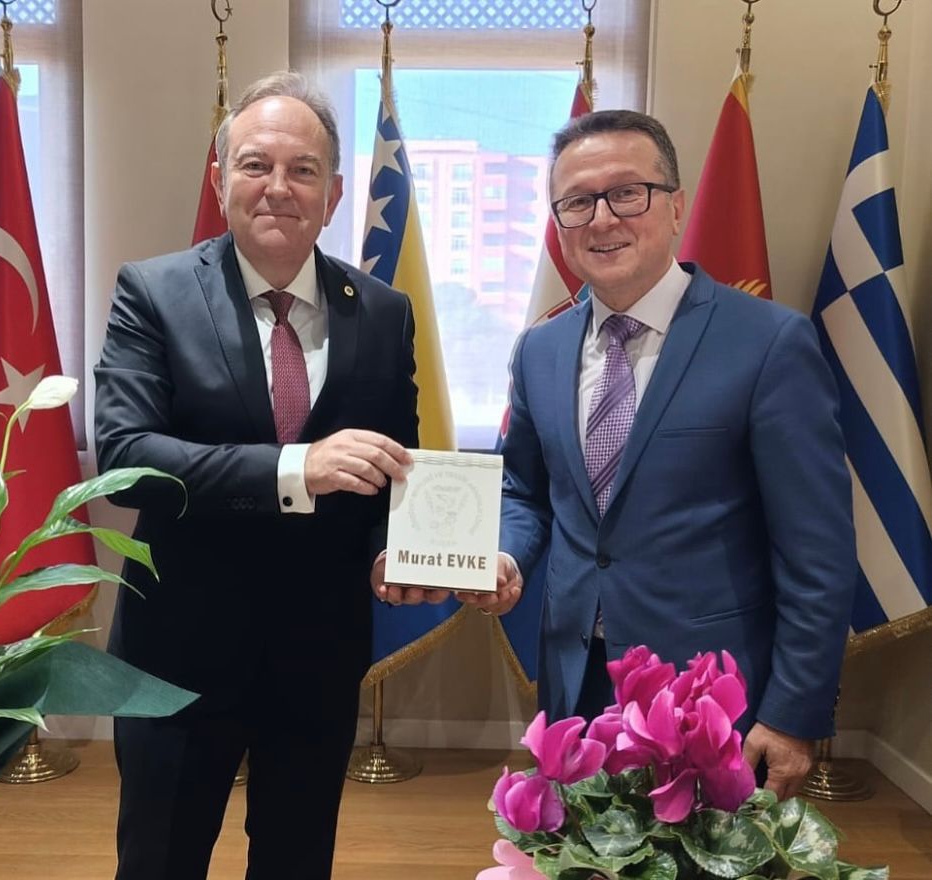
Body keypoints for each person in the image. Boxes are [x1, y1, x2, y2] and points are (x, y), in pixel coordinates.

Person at [465, 110, 855, 800]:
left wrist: (793, 714)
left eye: (627, 193)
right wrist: (505, 556)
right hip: (575, 679)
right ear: (558, 224)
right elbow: (523, 489)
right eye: (577, 202)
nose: (602, 218)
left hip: (709, 695)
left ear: (676, 207)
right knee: (577, 850)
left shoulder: (769, 343)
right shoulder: (539, 350)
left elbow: (816, 553)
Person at [94, 72, 418, 880]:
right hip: (177, 657)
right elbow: (126, 459)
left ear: (333, 194)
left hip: (319, 656)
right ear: (220, 180)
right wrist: (295, 467)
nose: (279, 187)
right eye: (255, 165)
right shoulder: (154, 292)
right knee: (160, 863)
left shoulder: (383, 312)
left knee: (296, 863)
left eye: (303, 170)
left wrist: (402, 550)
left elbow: (395, 471)